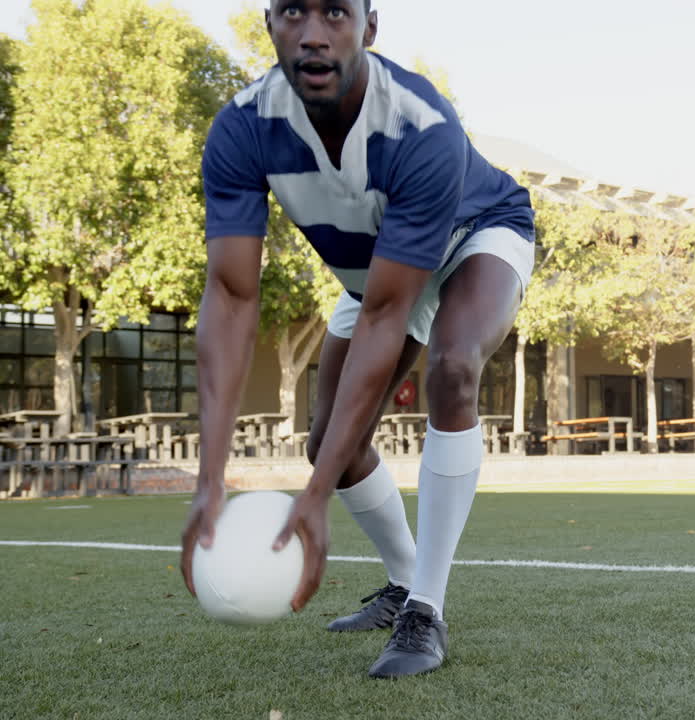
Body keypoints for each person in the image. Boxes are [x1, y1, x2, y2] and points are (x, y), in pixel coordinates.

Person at [179, 0, 534, 679]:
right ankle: (403, 580)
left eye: (336, 12)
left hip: (474, 237)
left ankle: (425, 608)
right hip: (378, 272)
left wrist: (311, 500)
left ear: (370, 28)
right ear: (270, 24)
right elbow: (230, 297)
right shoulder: (242, 130)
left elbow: (387, 317)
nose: (314, 33)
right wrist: (209, 477)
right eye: (293, 12)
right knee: (329, 449)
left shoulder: (421, 125)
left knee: (453, 370)